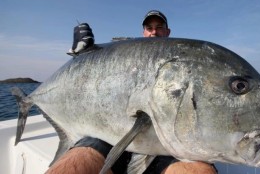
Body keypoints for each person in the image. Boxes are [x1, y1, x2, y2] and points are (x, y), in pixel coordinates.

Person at [49, 10, 217, 174]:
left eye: (159, 27)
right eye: (149, 28)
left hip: (171, 147)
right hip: (106, 137)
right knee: (77, 162)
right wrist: (80, 57)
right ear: (144, 32)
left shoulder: (183, 58)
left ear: (167, 31)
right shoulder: (120, 54)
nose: (153, 32)